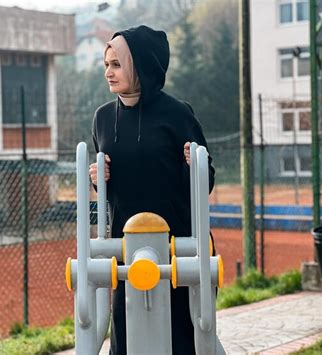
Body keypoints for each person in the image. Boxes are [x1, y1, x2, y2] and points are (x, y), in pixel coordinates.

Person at [88, 25, 215, 355]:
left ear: (139, 66)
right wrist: (97, 177)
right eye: (106, 65)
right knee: (126, 339)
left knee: (181, 340)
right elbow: (106, 188)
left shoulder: (177, 114)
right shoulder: (102, 119)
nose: (109, 73)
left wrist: (194, 166)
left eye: (117, 65)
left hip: (176, 251)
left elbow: (207, 180)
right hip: (125, 250)